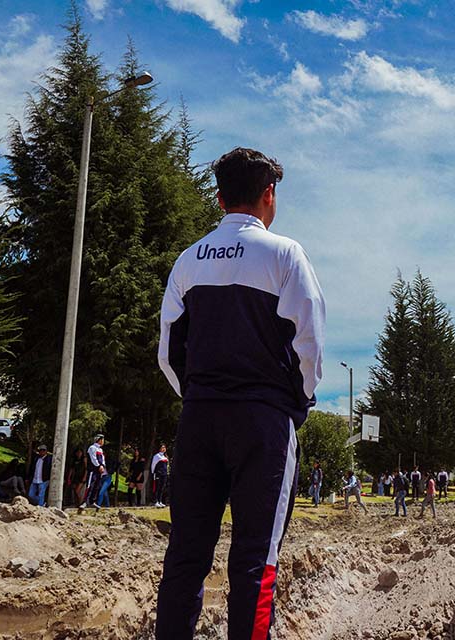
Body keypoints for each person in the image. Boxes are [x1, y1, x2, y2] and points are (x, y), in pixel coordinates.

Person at [155, 147, 326, 640]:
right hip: (263, 421)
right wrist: (298, 403)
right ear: (269, 194)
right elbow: (308, 343)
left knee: (186, 555)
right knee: (255, 560)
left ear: (219, 196)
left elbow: (169, 351)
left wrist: (200, 396)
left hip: (200, 419)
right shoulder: (285, 254)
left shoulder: (188, 261)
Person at [81, 434, 107, 510]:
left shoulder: (100, 450)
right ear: (98, 440)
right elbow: (93, 458)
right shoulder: (92, 448)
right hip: (93, 470)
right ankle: (85, 502)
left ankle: (92, 501)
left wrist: (103, 466)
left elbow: (103, 459)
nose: (103, 441)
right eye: (102, 440)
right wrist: (99, 466)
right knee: (90, 485)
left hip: (99, 471)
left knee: (97, 486)